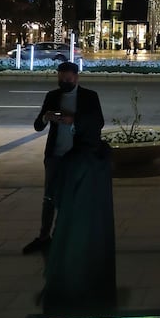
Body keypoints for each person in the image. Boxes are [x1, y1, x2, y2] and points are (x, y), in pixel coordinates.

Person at [24, 62, 104, 255]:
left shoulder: (89, 96)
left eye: (68, 78)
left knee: (75, 198)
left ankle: (69, 236)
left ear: (76, 77)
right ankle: (44, 236)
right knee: (49, 197)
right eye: (61, 78)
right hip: (55, 156)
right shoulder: (52, 96)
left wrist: (73, 120)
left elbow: (98, 122)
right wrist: (46, 117)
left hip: (78, 155)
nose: (65, 82)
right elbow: (37, 125)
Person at [40, 116, 115, 316]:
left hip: (73, 221)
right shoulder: (103, 156)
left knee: (71, 258)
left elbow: (56, 194)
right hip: (98, 220)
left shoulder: (73, 159)